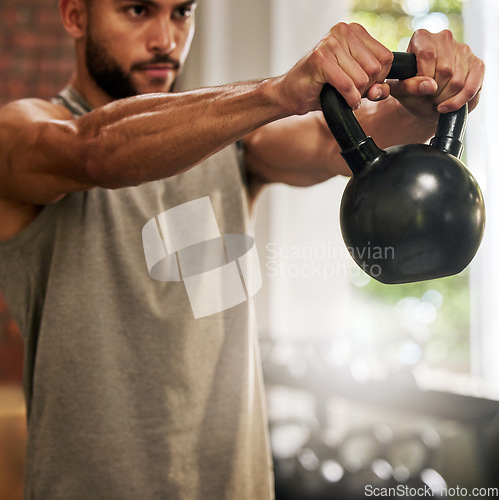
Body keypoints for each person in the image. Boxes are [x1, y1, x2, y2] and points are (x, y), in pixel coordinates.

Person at [0, 0, 484, 499]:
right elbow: (93, 149)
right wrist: (275, 92)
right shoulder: (22, 133)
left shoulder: (232, 145)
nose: (165, 39)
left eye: (181, 13)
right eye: (137, 10)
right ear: (76, 16)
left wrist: (426, 106)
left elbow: (330, 141)